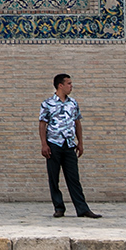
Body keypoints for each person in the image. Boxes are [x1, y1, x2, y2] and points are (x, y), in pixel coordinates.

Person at [38, 73, 101, 218]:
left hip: (69, 145)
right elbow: (42, 124)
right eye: (69, 83)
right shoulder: (47, 104)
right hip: (53, 144)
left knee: (73, 178)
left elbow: (77, 122)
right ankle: (59, 207)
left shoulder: (73, 103)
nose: (71, 86)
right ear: (60, 85)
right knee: (54, 177)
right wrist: (44, 144)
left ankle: (82, 208)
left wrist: (80, 142)